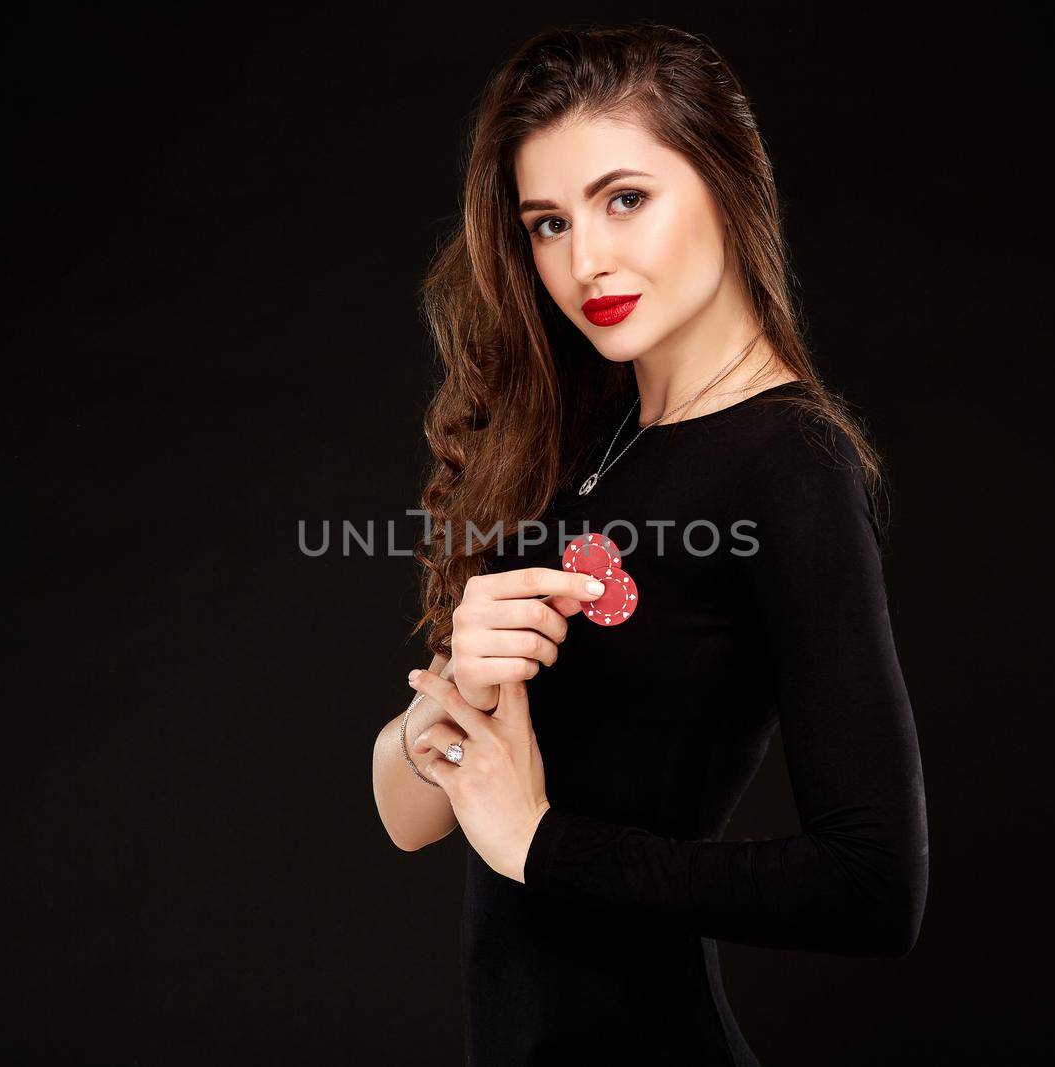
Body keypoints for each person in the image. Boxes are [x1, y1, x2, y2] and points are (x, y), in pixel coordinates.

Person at [369, 23, 928, 1066]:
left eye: (624, 198)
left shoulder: (789, 462)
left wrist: (541, 844)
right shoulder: (579, 432)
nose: (585, 261)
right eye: (546, 222)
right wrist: (453, 699)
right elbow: (408, 815)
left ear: (725, 184)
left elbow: (873, 885)